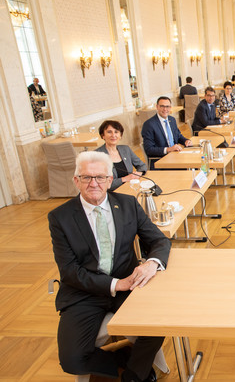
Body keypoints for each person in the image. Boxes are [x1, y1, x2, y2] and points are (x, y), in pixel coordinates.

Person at [48, 151, 170, 382]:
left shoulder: (127, 204)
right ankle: (126, 358)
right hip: (84, 292)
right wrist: (116, 284)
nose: (94, 183)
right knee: (71, 360)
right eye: (86, 177)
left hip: (130, 284)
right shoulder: (60, 217)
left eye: (100, 177)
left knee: (159, 322)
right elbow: (69, 271)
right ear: (76, 180)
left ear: (110, 179)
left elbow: (159, 241)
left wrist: (152, 264)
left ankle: (133, 375)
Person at [141, 96, 193, 169]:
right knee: (190, 168)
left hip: (175, 156)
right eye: (162, 106)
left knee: (194, 164)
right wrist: (168, 149)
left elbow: (178, 136)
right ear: (157, 107)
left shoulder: (172, 120)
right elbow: (149, 149)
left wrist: (186, 141)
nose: (165, 109)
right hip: (161, 160)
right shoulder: (149, 124)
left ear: (170, 107)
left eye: (167, 106)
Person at [95, 121, 147, 191]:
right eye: (109, 132)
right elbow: (102, 183)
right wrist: (124, 179)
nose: (113, 135)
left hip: (129, 188)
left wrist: (138, 173)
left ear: (120, 135)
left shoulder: (125, 149)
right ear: (103, 135)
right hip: (111, 193)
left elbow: (142, 165)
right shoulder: (97, 155)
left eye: (116, 132)